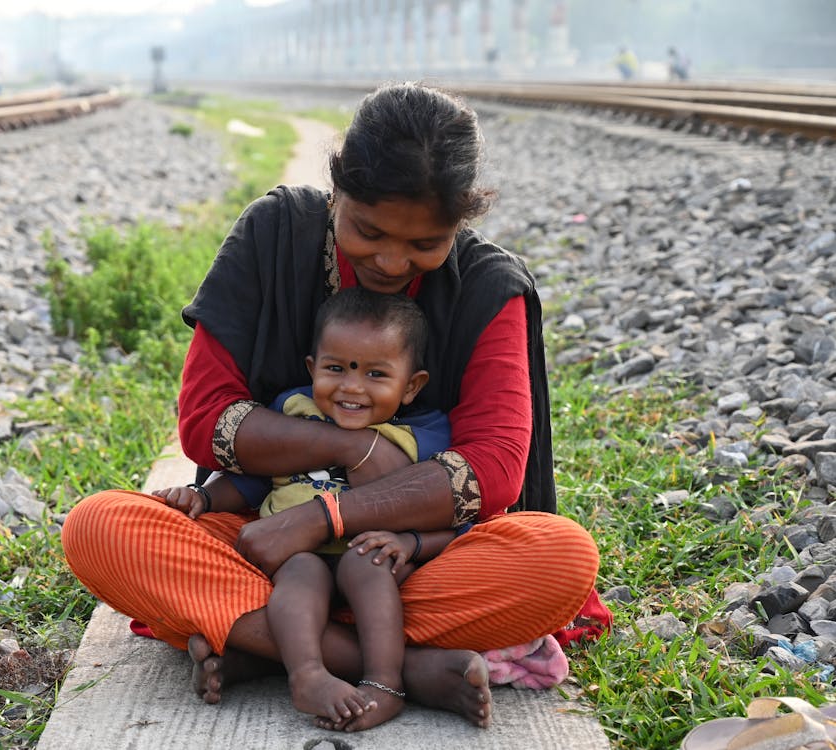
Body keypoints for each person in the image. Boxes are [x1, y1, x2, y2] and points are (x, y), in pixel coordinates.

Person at [61, 82, 602, 730]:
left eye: (425, 243)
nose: (392, 260)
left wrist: (325, 516)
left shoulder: (488, 287)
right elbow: (206, 421)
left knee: (560, 558)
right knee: (99, 527)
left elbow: (494, 469)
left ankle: (268, 644)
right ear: (336, 189)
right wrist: (351, 448)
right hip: (264, 540)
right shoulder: (274, 233)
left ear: (460, 223)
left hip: (411, 556)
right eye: (367, 231)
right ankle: (404, 665)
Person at [153, 287, 454, 730]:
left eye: (375, 374)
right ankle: (307, 674)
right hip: (288, 556)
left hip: (374, 559)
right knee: (299, 573)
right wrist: (204, 497)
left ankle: (383, 683)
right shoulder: (293, 412)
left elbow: (454, 512)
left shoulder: (425, 433)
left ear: (412, 386)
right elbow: (252, 480)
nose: (352, 387)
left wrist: (409, 542)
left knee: (366, 566)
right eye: (336, 368)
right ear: (312, 367)